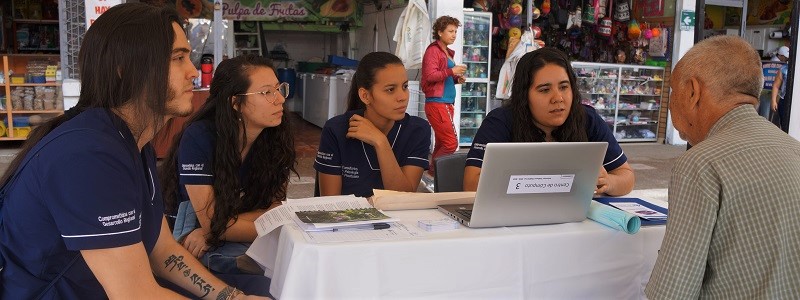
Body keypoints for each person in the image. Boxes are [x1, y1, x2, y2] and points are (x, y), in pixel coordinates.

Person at [0, 3, 266, 299]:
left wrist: (231, 296)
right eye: (178, 58)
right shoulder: (88, 155)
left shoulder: (132, 142)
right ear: (125, 69)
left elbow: (162, 251)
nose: (193, 71)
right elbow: (135, 294)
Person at [646, 36, 800, 299]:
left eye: (673, 92)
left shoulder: (699, 165)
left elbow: (672, 292)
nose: (670, 104)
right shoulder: (794, 149)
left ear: (693, 92)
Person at [160, 54, 296, 275]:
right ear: (235, 102)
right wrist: (218, 228)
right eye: (266, 92)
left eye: (278, 88)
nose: (280, 99)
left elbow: (275, 208)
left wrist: (214, 231)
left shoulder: (276, 135)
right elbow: (215, 221)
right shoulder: (200, 137)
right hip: (186, 229)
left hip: (216, 232)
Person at [463, 47, 634, 195]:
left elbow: (626, 176)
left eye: (564, 87)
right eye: (545, 90)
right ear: (524, 95)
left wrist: (609, 182)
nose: (558, 98)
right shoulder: (500, 122)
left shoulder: (587, 119)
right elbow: (471, 185)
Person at [315, 52, 431, 197]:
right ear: (365, 96)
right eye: (390, 89)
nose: (402, 97)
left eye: (405, 86)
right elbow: (331, 203)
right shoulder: (336, 130)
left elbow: (403, 198)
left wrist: (380, 142)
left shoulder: (417, 130)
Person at [421, 15, 467, 174]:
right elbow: (430, 76)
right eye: (450, 31)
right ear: (440, 32)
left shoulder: (446, 51)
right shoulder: (433, 51)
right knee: (450, 143)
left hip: (445, 102)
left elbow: (442, 78)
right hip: (437, 103)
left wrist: (456, 79)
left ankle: (433, 174)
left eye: (455, 31)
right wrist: (451, 71)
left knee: (442, 143)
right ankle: (435, 173)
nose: (454, 34)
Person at [771, 45, 791, 132]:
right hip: (784, 100)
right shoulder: (783, 69)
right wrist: (773, 100)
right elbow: (776, 85)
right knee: (784, 124)